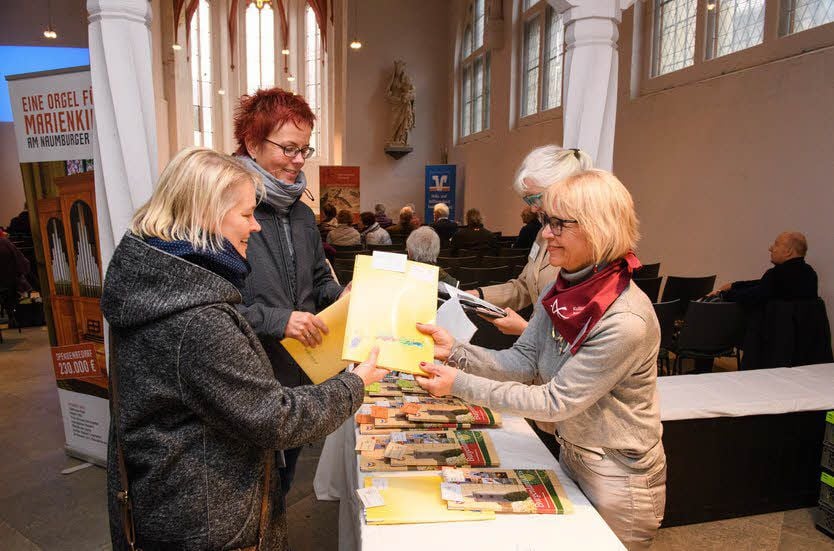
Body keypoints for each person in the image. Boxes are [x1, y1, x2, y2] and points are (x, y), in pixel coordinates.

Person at [101, 147, 387, 551]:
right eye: (246, 214)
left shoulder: (156, 282)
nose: (255, 227)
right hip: (207, 517)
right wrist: (355, 383)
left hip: (168, 495)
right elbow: (276, 420)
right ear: (205, 215)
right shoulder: (198, 319)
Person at [415, 169, 665, 550]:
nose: (545, 233)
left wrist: (458, 384)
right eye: (545, 221)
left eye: (558, 224)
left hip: (619, 476)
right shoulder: (563, 286)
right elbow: (524, 362)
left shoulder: (624, 318)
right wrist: (456, 351)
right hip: (574, 453)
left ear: (598, 228)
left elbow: (554, 402)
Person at [233, 87, 348, 493]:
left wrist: (343, 295)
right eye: (288, 148)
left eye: (305, 149)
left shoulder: (301, 214)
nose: (299, 160)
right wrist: (281, 320)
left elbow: (318, 282)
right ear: (251, 143)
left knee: (281, 485)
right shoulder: (228, 210)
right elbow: (216, 308)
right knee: (248, 490)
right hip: (248, 377)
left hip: (299, 374)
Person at [467, 146, 593, 336]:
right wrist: (477, 296)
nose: (533, 209)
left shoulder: (586, 243)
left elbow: (583, 335)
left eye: (536, 198)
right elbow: (524, 286)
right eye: (528, 200)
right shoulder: (544, 234)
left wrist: (526, 330)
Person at [710, 232, 818, 306]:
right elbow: (762, 285)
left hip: (775, 337)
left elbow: (752, 296)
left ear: (788, 251)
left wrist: (722, 295)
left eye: (776, 244)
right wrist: (733, 285)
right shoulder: (810, 274)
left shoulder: (777, 274)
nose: (770, 248)